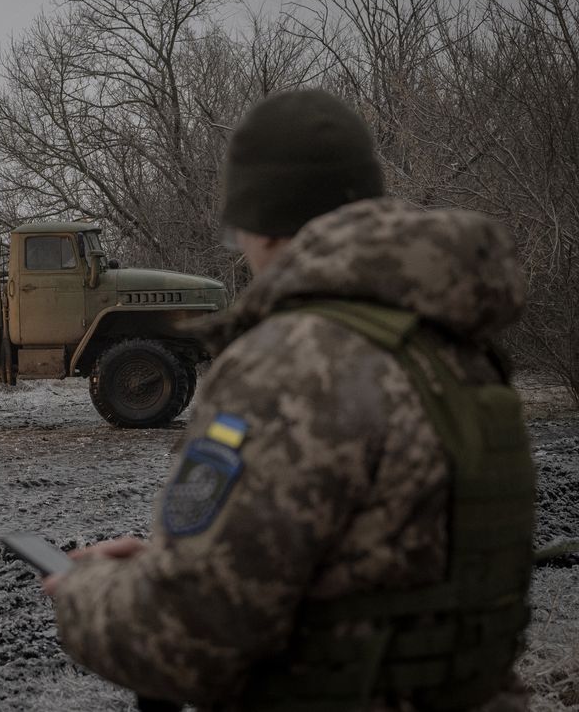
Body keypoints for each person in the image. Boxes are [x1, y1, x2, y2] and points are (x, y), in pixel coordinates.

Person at [44, 89, 536, 711]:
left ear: (256, 218)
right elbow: (394, 571)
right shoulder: (454, 345)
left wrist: (91, 593)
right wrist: (187, 560)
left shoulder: (292, 364)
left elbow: (188, 638)